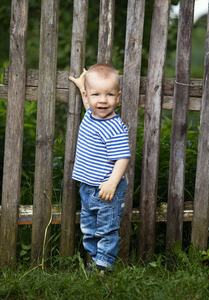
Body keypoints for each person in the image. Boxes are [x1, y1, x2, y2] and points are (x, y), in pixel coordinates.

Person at [69, 63, 130, 273]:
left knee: (106, 229)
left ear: (118, 97)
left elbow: (122, 157)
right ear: (88, 96)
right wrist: (81, 85)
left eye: (110, 95)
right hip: (87, 188)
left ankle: (104, 265)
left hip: (106, 189)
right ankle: (95, 262)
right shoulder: (91, 115)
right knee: (89, 229)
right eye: (96, 95)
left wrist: (112, 183)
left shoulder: (114, 126)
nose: (102, 100)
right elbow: (90, 103)